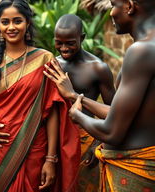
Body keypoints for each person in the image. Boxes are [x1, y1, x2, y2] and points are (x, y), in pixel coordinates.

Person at [44, 0, 155, 191]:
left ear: (130, 7)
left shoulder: (140, 51)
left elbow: (112, 131)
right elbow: (123, 114)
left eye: (114, 4)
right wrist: (76, 97)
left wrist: (76, 115)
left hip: (133, 170)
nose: (111, 13)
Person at [0, 0, 80, 192]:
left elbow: (52, 112)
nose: (11, 27)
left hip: (34, 149)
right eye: (5, 22)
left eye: (17, 21)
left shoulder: (44, 59)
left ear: (27, 23)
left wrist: (51, 159)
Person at [54, 14, 115, 191]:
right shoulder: (53, 64)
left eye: (70, 43)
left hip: (86, 139)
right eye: (59, 43)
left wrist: (98, 144)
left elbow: (113, 111)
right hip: (56, 139)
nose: (64, 49)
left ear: (82, 38)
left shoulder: (97, 68)